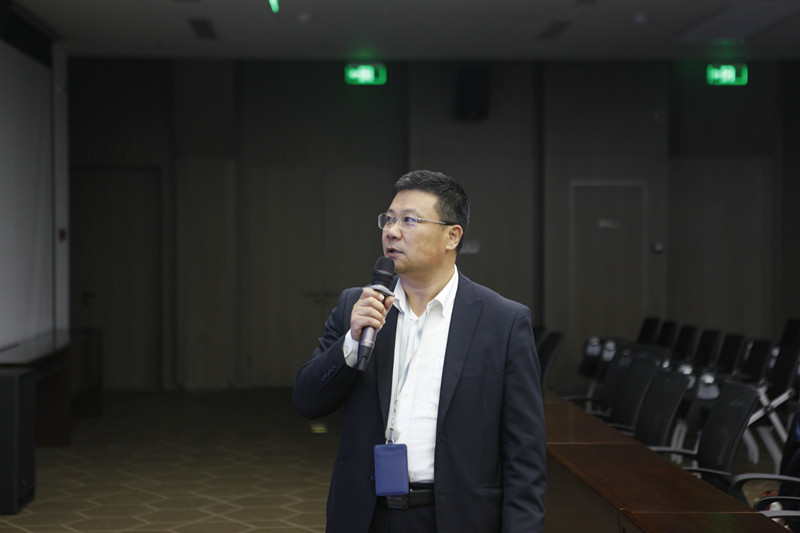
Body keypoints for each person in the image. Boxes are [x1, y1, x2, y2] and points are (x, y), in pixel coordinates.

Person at [293, 170, 546, 532]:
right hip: (367, 516)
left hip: (456, 518)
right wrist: (350, 342)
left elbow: (525, 454)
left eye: (409, 220)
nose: (392, 231)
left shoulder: (502, 321)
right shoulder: (358, 306)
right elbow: (307, 401)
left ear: (452, 236)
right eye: (389, 219)